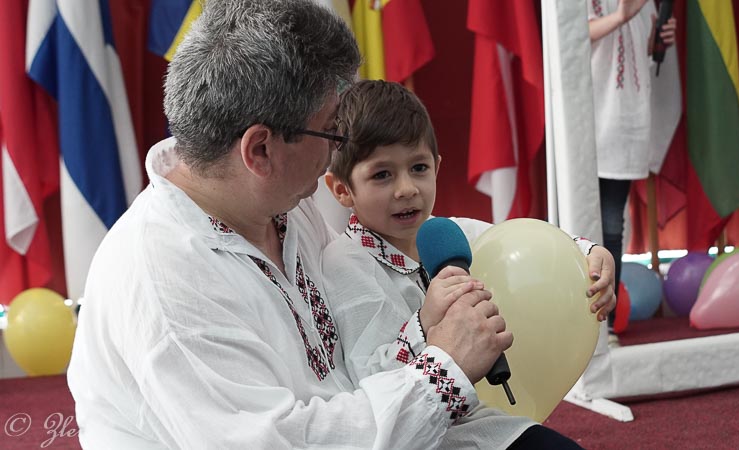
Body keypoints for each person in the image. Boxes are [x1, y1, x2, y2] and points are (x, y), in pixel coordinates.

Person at [67, 1, 513, 448]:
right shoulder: (165, 279)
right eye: (332, 132)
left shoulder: (276, 201)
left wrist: (427, 329)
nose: (335, 152)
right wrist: (443, 372)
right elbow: (277, 442)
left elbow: (348, 366)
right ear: (260, 150)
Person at [321, 80, 617, 448]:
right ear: (342, 189)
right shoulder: (346, 264)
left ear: (437, 167)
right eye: (382, 174)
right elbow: (369, 383)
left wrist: (589, 254)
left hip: (479, 422)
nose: (407, 189)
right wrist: (424, 323)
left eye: (418, 168)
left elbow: (523, 245)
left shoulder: (447, 234)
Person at [587, 0, 676, 341]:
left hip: (622, 121)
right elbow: (571, 38)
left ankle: (604, 323)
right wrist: (620, 17)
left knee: (612, 226)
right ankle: (577, 324)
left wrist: (659, 38)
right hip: (588, 117)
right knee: (578, 226)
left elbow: (643, 47)